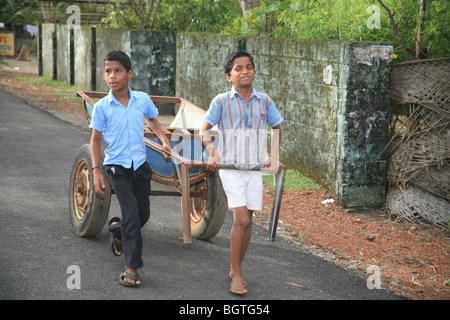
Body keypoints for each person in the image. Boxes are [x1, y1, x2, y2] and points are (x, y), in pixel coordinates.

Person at [200, 50, 283, 295]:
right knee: (242, 220)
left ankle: (236, 266)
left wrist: (274, 156)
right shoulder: (222, 101)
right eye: (238, 68)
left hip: (254, 169)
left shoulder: (265, 101)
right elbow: (205, 129)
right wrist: (213, 151)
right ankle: (236, 273)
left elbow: (276, 127)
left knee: (249, 223)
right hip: (231, 167)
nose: (245, 71)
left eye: (249, 67)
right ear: (229, 76)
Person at [90, 50, 171, 287]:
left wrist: (164, 140)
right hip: (116, 167)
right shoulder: (102, 107)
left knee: (142, 214)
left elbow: (153, 121)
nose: (112, 76)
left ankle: (118, 230)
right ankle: (131, 268)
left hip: (140, 166)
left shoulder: (142, 100)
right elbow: (95, 140)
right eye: (108, 71)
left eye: (118, 71)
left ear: (129, 74)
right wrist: (96, 170)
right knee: (132, 215)